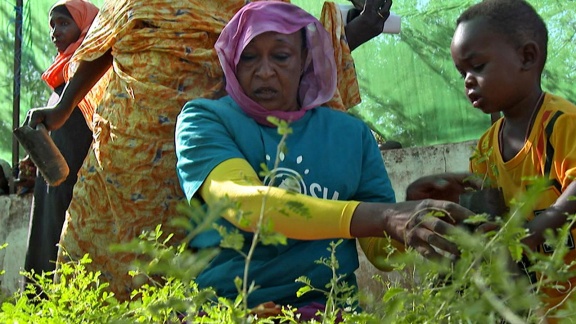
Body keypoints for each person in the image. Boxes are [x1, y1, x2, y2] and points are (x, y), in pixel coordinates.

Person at [24, 0, 404, 301]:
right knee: (91, 267)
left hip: (212, 148)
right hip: (124, 150)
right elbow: (104, 42)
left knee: (180, 270)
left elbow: (279, 37)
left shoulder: (345, 137)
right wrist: (63, 107)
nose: (266, 68)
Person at [175, 1, 475, 319]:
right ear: (233, 62)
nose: (263, 71)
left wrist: (408, 212)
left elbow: (382, 255)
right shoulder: (205, 119)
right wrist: (383, 216)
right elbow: (243, 204)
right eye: (249, 57)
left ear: (305, 59)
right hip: (229, 310)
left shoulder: (351, 135)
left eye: (280, 56)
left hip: (328, 310)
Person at [406, 0, 576, 315]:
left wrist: (538, 226)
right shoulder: (487, 146)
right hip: (536, 308)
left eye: (478, 66)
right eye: (461, 72)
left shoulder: (562, 123)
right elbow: (492, 223)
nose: (467, 81)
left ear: (527, 57)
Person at [22, 0, 99, 288]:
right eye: (52, 24)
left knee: (67, 244)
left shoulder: (92, 72)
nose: (55, 31)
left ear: (86, 26)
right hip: (52, 180)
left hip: (77, 179)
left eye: (64, 23)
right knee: (45, 236)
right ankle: (39, 302)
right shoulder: (62, 77)